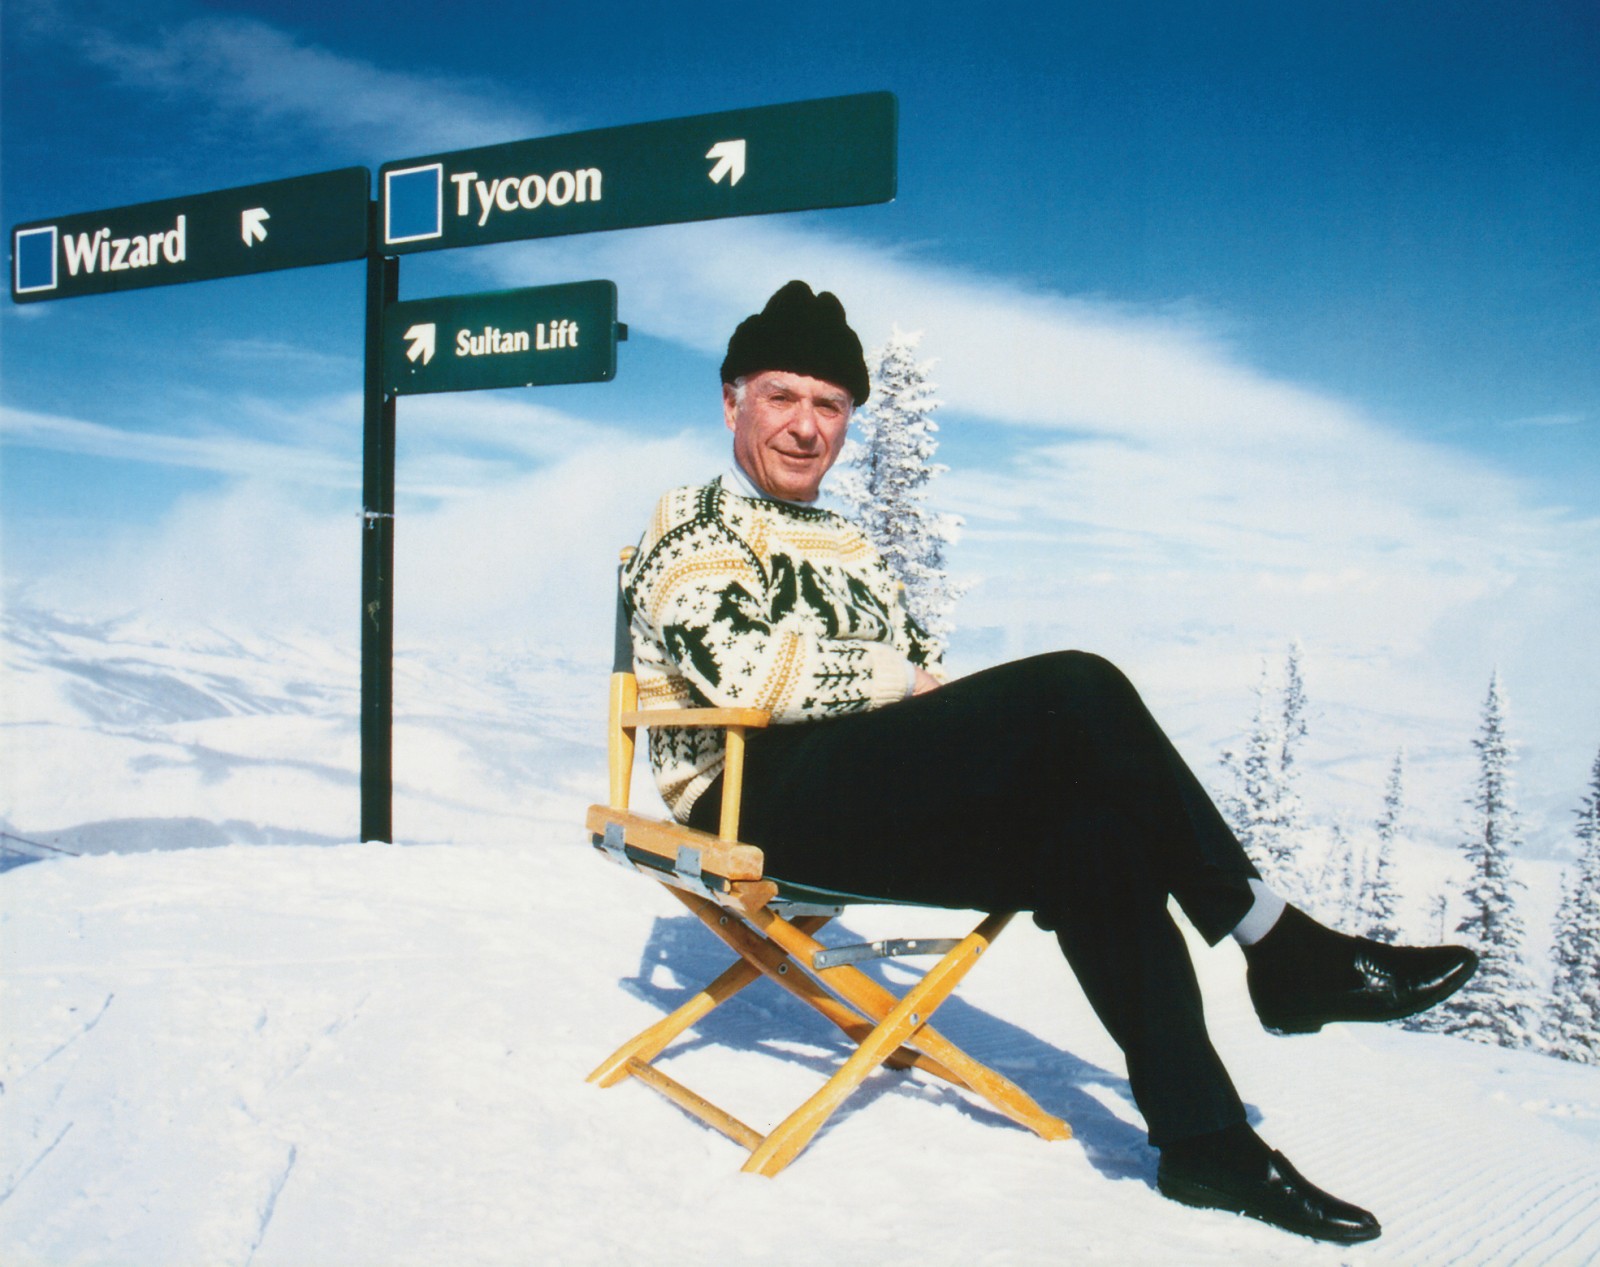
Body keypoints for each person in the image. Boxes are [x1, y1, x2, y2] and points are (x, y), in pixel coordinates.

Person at [622, 280, 1476, 1245]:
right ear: (732, 398)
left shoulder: (854, 545)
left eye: (831, 405)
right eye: (783, 396)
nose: (807, 426)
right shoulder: (692, 521)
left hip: (855, 793)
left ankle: (1206, 1143)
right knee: (1079, 681)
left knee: (1094, 836)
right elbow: (755, 671)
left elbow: (915, 690)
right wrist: (894, 677)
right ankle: (1278, 945)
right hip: (752, 795)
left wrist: (895, 685)